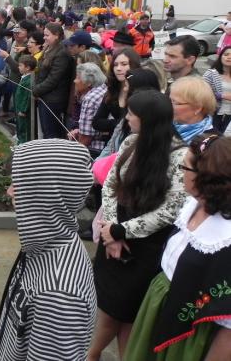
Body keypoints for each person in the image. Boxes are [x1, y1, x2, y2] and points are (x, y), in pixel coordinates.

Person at [89, 90, 187, 360]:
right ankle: (92, 354)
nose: (127, 117)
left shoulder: (180, 157)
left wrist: (123, 232)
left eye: (132, 113)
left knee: (130, 312)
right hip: (114, 236)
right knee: (109, 308)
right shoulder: (131, 141)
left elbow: (170, 210)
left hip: (146, 248)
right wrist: (111, 230)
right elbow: (110, 185)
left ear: (149, 119)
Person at [0, 139, 96, 360]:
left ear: (46, 195)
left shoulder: (58, 296)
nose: (10, 192)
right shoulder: (42, 245)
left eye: (19, 185)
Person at [125, 135, 231, 360]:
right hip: (159, 303)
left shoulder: (225, 238)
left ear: (204, 178)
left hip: (190, 330)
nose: (180, 172)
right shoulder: (193, 203)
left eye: (185, 166)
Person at [31, 23, 75, 138]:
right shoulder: (48, 48)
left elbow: (53, 79)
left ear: (56, 35)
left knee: (51, 133)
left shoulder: (62, 53)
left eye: (47, 35)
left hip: (54, 100)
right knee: (45, 131)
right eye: (44, 35)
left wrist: (36, 90)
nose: (44, 37)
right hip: (44, 96)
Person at [92, 47, 142, 141]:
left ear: (134, 66)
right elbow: (96, 122)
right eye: (115, 65)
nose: (118, 68)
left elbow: (135, 125)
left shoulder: (140, 92)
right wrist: (119, 124)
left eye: (124, 64)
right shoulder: (112, 90)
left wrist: (112, 125)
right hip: (113, 143)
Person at [70, 62, 108, 157]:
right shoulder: (104, 89)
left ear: (89, 83)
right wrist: (80, 130)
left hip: (95, 150)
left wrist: (75, 155)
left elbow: (86, 138)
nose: (74, 81)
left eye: (78, 78)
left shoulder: (90, 98)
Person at [170, 76, 216, 144]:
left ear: (197, 108)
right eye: (170, 100)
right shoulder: (165, 126)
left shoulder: (212, 143)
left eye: (175, 102)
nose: (169, 105)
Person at [202, 45, 231, 132]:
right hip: (213, 114)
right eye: (226, 54)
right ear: (220, 57)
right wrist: (221, 95)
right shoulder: (211, 74)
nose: (229, 57)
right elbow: (201, 92)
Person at [14, 55, 36, 144]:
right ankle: (19, 143)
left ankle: (23, 146)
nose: (18, 67)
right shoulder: (24, 77)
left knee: (24, 130)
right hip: (19, 109)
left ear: (27, 68)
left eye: (20, 65)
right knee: (19, 127)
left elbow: (27, 97)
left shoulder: (29, 81)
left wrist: (23, 110)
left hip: (23, 112)